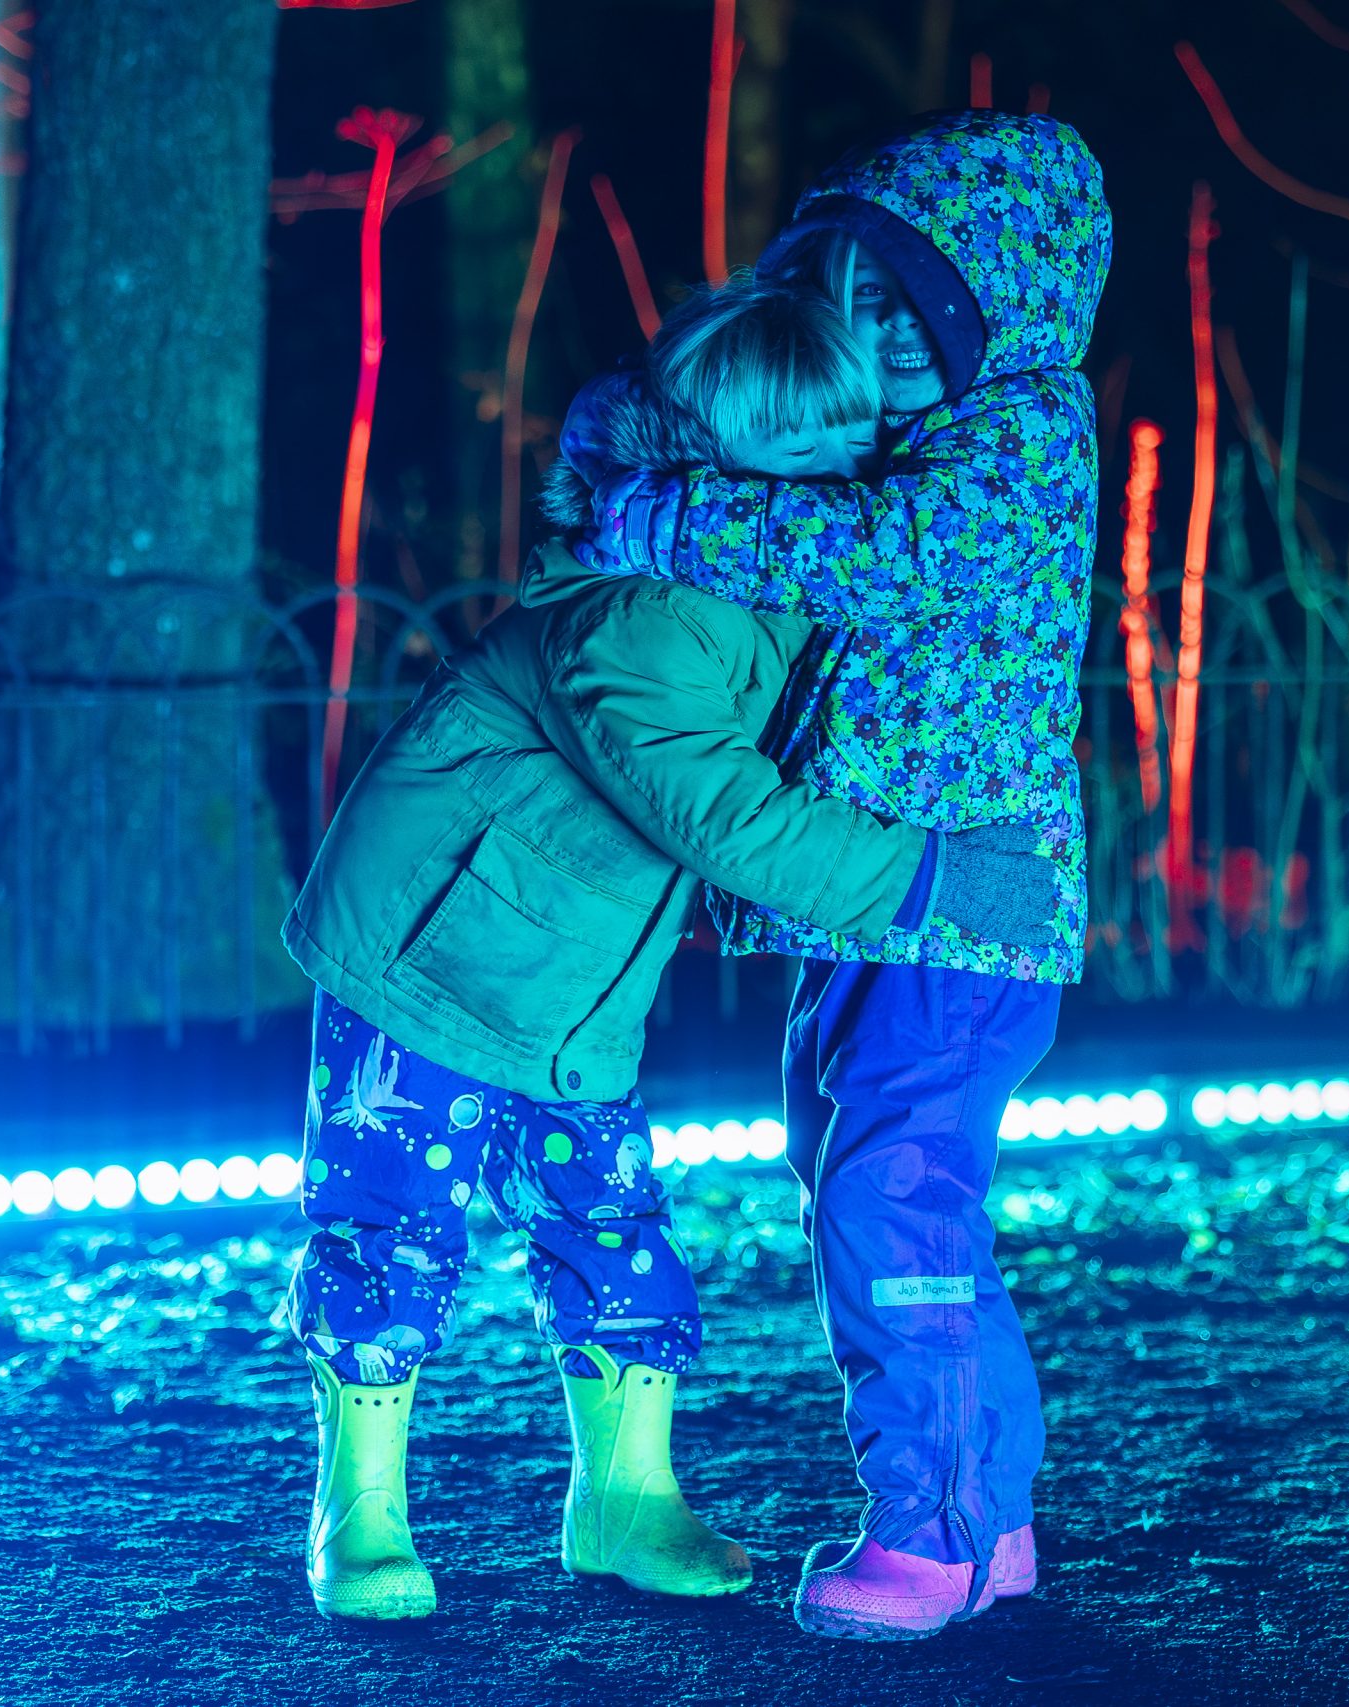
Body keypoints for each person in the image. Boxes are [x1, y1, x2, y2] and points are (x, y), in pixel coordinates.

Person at [277, 275, 1063, 1621]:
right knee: (391, 1228)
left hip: (575, 989)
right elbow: (729, 819)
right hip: (427, 962)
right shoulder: (636, 615)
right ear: (711, 455)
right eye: (798, 445)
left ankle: (624, 1499)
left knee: (614, 1228)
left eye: (853, 435)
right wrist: (937, 875)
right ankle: (360, 1512)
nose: (842, 471)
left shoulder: (751, 583)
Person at [580, 111, 1113, 1640]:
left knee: (895, 1203)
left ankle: (931, 1536)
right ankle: (986, 1519)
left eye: (908, 304)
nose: (874, 337)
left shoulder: (1022, 437)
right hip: (887, 906)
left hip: (959, 911)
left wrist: (661, 518)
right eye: (849, 302)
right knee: (868, 1185)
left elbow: (880, 557)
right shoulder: (939, 441)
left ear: (993, 304)